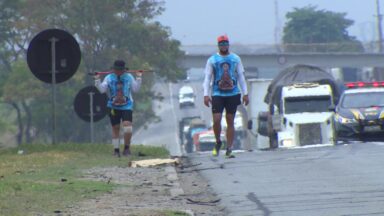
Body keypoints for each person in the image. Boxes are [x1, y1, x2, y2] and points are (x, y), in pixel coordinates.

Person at [203, 35, 249, 158]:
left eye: (225, 43)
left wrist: (245, 93)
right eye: (221, 44)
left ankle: (229, 148)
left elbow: (240, 76)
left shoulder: (235, 58)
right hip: (217, 93)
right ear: (218, 45)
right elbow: (207, 78)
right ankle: (218, 142)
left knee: (230, 120)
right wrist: (206, 95)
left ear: (228, 44)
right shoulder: (212, 60)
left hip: (233, 93)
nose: (223, 46)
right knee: (217, 120)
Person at [94, 60, 142, 157]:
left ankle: (127, 148)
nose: (118, 72)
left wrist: (139, 77)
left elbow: (136, 89)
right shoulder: (108, 77)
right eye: (117, 70)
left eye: (120, 70)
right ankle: (116, 150)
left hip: (127, 105)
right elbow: (102, 89)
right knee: (115, 128)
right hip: (113, 106)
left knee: (127, 127)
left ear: (124, 70)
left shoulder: (128, 77)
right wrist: (97, 80)